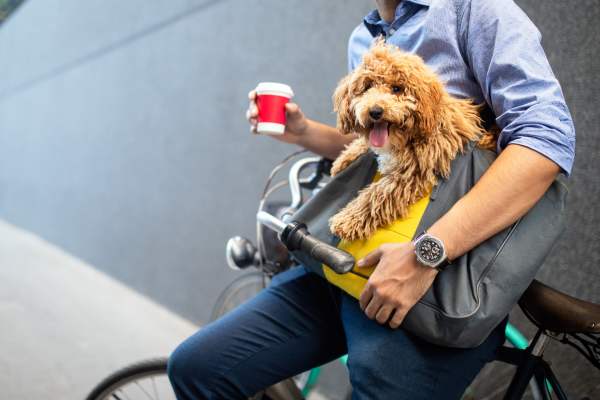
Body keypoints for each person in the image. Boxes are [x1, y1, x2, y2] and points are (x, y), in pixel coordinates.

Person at [168, 0, 575, 398]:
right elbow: (377, 148)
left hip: (436, 285)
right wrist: (304, 132)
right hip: (350, 263)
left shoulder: (475, 10)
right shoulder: (364, 36)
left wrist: (427, 253)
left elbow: (546, 142)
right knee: (199, 368)